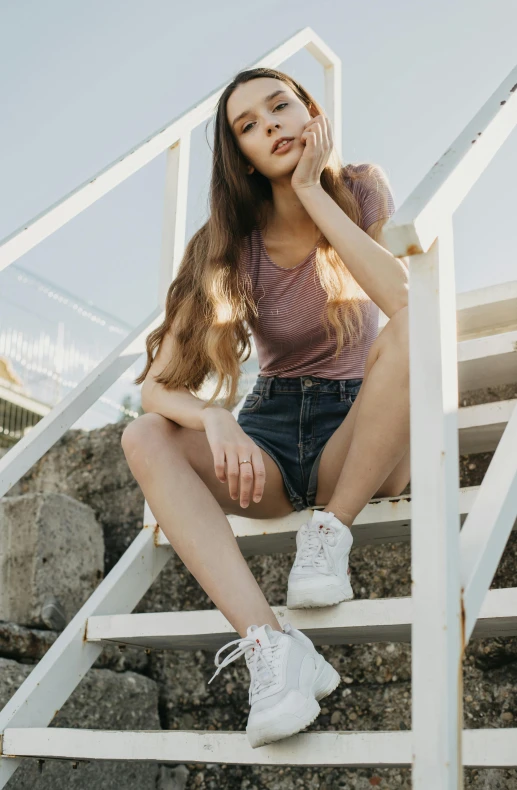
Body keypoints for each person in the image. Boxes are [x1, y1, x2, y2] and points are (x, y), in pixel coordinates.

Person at [121, 66, 411, 749]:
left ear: (309, 112)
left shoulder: (360, 188)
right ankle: (272, 646)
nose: (270, 125)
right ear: (240, 157)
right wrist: (214, 417)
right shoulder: (226, 247)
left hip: (361, 430)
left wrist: (311, 188)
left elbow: (404, 305)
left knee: (414, 325)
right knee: (145, 437)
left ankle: (330, 531)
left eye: (279, 106)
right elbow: (156, 388)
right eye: (247, 125)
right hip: (270, 439)